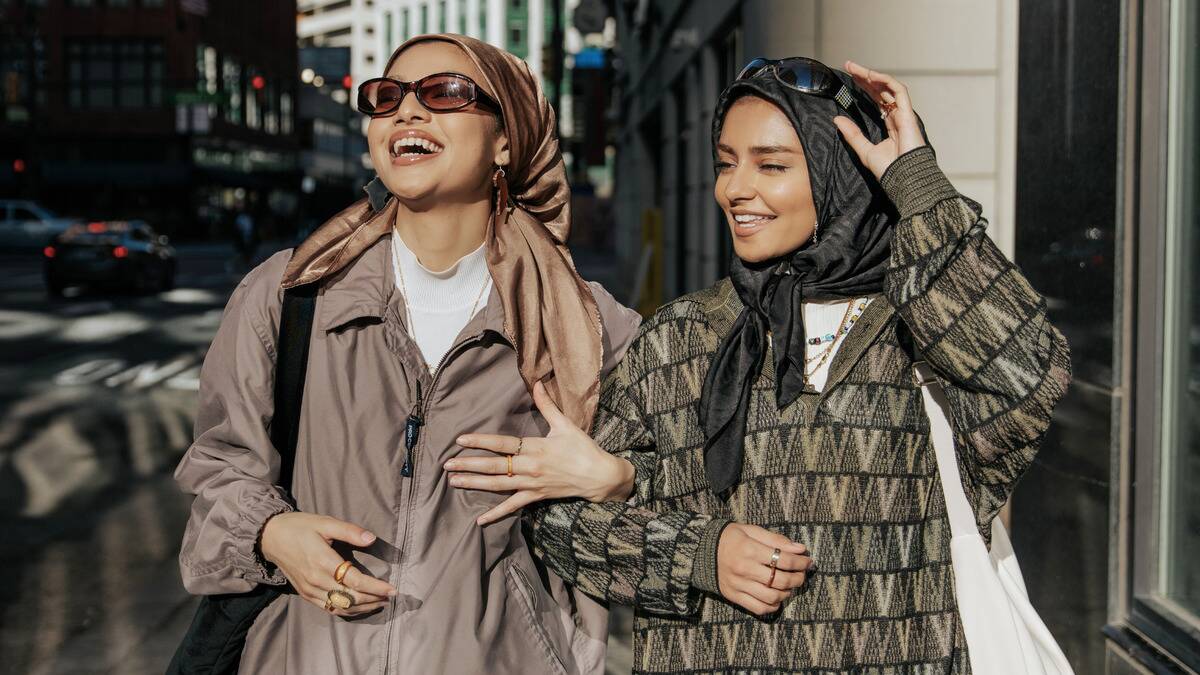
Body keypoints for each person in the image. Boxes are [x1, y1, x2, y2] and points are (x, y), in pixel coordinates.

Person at [448, 57, 1072, 672]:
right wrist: (700, 555)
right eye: (725, 163)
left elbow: (1024, 375)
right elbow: (564, 527)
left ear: (842, 174)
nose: (734, 189)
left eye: (771, 165)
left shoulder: (921, 331)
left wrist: (917, 186)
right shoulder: (682, 337)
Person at [174, 34, 640, 674]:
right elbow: (219, 467)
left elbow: (689, 507)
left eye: (445, 94)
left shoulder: (588, 326)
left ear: (508, 140)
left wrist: (617, 480)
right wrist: (270, 533)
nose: (406, 112)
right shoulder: (288, 296)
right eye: (386, 98)